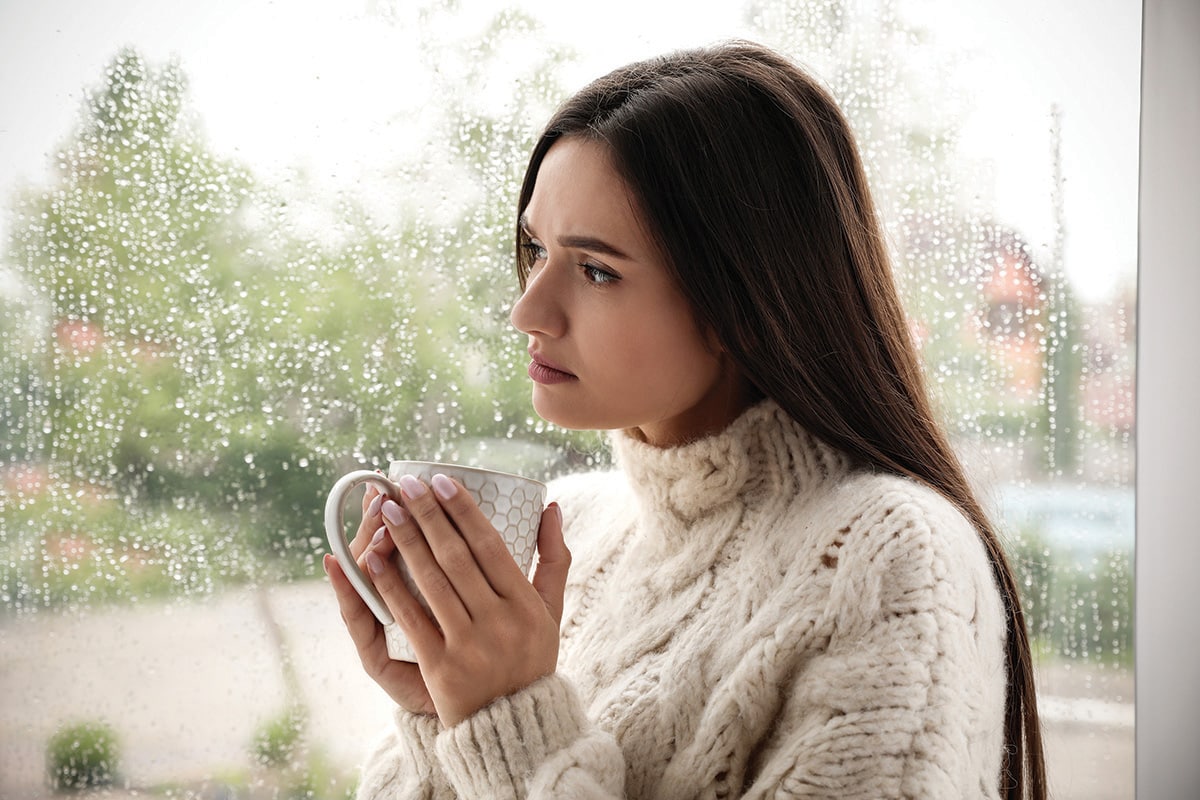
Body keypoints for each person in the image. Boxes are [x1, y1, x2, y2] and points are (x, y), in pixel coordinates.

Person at [323, 40, 1047, 799]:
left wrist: (508, 723)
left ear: (745, 300)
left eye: (597, 269)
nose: (526, 309)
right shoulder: (580, 527)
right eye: (535, 248)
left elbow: (517, 747)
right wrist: (442, 706)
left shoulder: (887, 558)